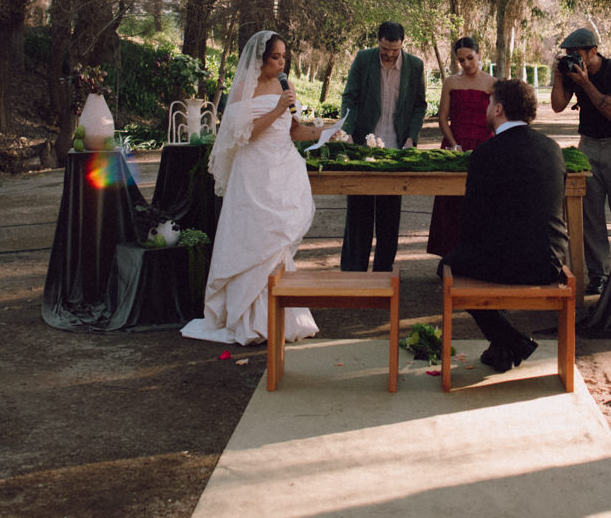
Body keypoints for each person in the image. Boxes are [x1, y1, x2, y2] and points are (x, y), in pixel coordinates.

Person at [184, 31, 338, 345]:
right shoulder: (244, 88)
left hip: (283, 172)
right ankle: (245, 316)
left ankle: (281, 317)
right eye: (275, 57)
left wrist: (326, 131)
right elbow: (244, 133)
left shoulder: (287, 85)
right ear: (261, 59)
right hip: (253, 172)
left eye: (284, 57)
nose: (281, 63)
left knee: (276, 243)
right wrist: (278, 108)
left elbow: (295, 130)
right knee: (252, 240)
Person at [440, 78, 570, 372]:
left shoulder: (486, 153)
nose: (486, 109)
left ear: (498, 109)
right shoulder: (552, 149)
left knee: (448, 265)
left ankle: (511, 340)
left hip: (510, 263)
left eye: (489, 103)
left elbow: (470, 222)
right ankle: (501, 347)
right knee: (485, 255)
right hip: (550, 260)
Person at [548, 24, 611, 295]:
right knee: (590, 215)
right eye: (568, 54)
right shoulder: (572, 73)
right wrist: (559, 77)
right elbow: (557, 106)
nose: (572, 58)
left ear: (593, 51)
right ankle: (598, 275)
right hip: (588, 145)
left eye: (576, 53)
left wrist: (586, 83)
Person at [338, 20, 428, 271]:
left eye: (394, 50)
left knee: (389, 214)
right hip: (363, 145)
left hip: (396, 147)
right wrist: (347, 132)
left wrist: (411, 138)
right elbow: (350, 97)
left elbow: (420, 105)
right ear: (378, 41)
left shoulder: (415, 66)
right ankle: (354, 272)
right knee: (359, 211)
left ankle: (384, 271)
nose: (389, 55)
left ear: (402, 44)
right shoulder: (364, 59)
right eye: (385, 49)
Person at [427, 36, 497, 259]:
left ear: (479, 55)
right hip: (454, 147)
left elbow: (497, 118)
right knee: (451, 203)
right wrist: (453, 144)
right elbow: (443, 118)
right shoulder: (451, 82)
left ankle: (480, 257)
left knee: (482, 201)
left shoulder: (493, 83)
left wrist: (493, 147)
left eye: (470, 58)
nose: (466, 63)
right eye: (461, 60)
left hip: (484, 147)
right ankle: (450, 258)